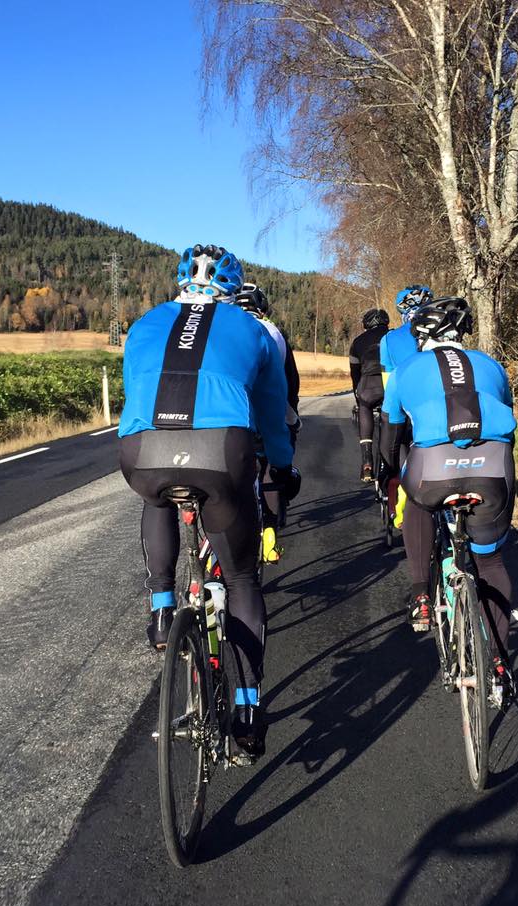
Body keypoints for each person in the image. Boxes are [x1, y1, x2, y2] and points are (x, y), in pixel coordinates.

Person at [118, 244, 301, 758]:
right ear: (231, 287)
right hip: (220, 454)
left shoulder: (145, 324)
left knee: (155, 496)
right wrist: (282, 469)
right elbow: (272, 414)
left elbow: (138, 398)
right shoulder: (252, 330)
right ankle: (245, 707)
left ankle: (160, 606)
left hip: (141, 452)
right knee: (242, 577)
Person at [383, 296, 516, 688]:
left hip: (433, 470)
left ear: (421, 336)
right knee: (490, 563)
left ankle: (422, 594)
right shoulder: (491, 365)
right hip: (493, 466)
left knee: (418, 500)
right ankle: (499, 663)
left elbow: (391, 436)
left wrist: (392, 474)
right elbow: (510, 425)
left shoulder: (408, 368)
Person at [235, 281, 301, 563]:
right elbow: (289, 385)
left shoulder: (219, 327)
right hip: (265, 412)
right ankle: (271, 532)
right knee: (272, 464)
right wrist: (293, 420)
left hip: (224, 419)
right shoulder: (272, 332)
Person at [378, 285, 433, 520]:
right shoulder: (441, 332)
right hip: (441, 407)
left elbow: (388, 384)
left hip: (407, 408)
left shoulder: (389, 339)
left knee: (397, 440)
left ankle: (401, 485)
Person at [348, 308, 390, 482]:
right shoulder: (392, 337)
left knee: (364, 407)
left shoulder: (357, 342)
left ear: (366, 324)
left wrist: (359, 397)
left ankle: (367, 463)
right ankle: (396, 458)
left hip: (368, 384)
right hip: (390, 381)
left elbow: (355, 374)